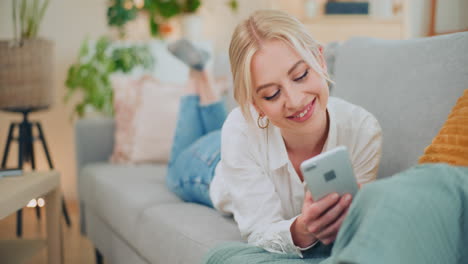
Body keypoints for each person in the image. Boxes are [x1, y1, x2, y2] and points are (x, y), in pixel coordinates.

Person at [166, 9, 382, 257]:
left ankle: (202, 70)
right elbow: (259, 231)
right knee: (175, 167)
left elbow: (354, 228)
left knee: (225, 128)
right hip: (213, 164)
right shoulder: (239, 131)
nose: (295, 101)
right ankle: (199, 73)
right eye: (272, 94)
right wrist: (304, 229)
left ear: (320, 60)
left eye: (301, 75)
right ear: (255, 104)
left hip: (248, 138)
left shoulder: (363, 130)